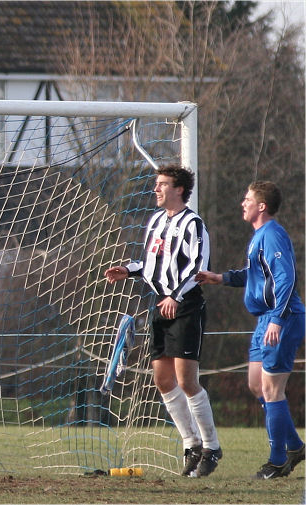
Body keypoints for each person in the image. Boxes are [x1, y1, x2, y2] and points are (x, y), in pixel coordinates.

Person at [103, 164, 221, 477]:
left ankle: (211, 446)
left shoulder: (193, 223)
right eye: (156, 184)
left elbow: (198, 266)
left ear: (179, 189)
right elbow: (152, 263)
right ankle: (191, 444)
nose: (156, 189)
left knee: (186, 380)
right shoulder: (156, 221)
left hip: (184, 306)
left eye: (162, 184)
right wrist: (128, 270)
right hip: (161, 306)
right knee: (163, 380)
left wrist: (175, 296)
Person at [195, 180, 305, 479]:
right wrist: (220, 278)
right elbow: (257, 274)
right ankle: (295, 445)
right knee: (257, 385)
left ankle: (278, 461)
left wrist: (277, 320)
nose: (242, 203)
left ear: (262, 206)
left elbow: (286, 278)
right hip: (264, 319)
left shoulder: (273, 234)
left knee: (272, 389)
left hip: (282, 317)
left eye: (247, 199)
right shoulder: (259, 237)